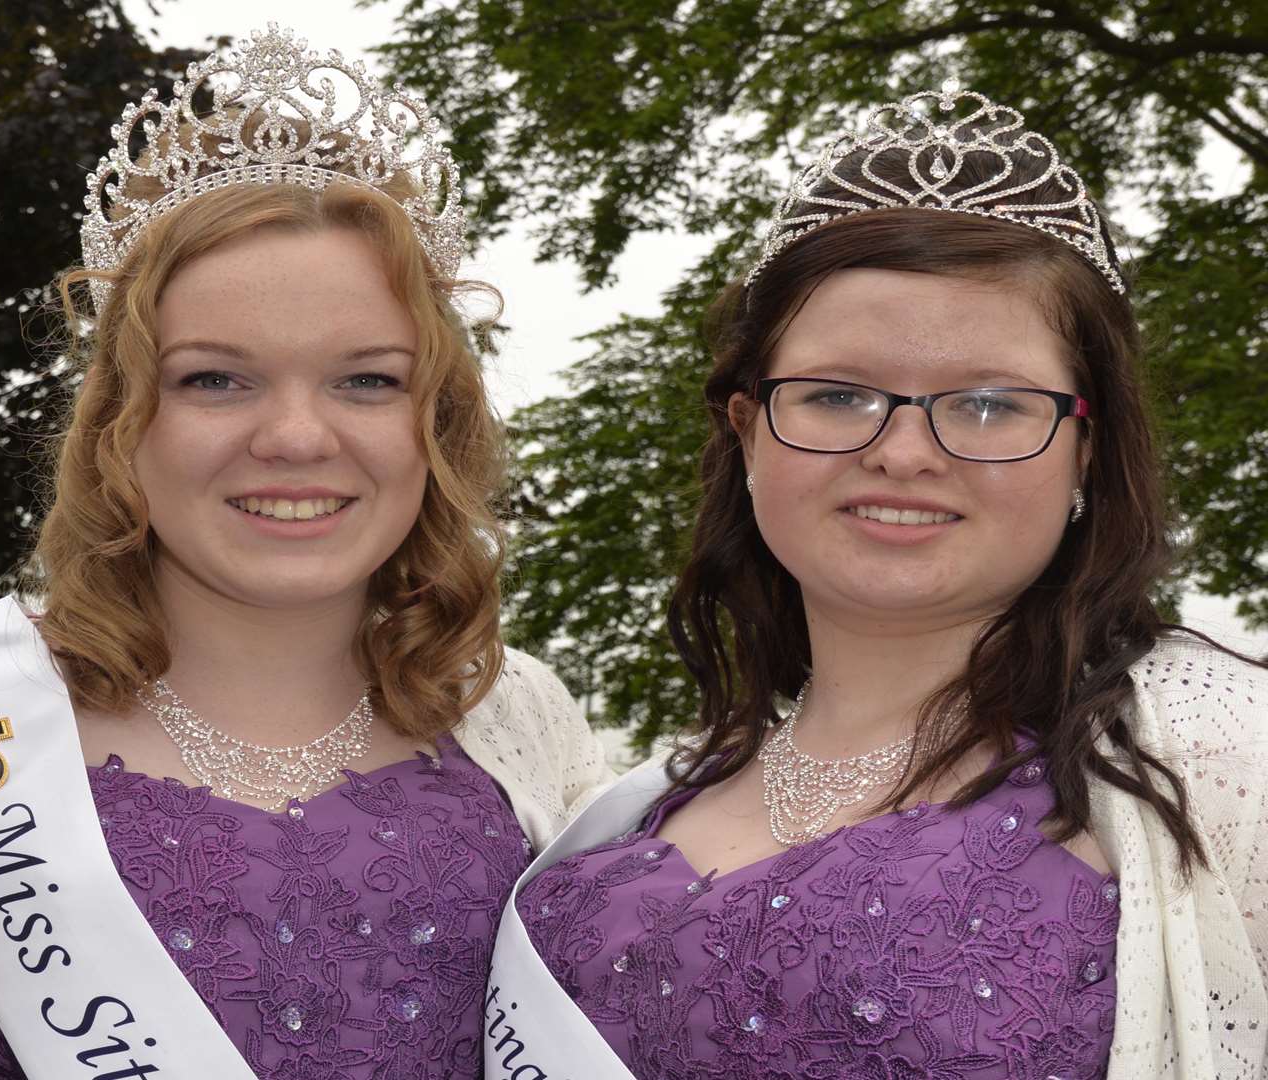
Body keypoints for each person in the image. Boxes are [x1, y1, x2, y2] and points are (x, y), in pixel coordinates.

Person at [0, 25, 613, 1080]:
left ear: (437, 422)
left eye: (366, 379)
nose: (294, 437)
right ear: (120, 422)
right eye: (214, 380)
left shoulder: (519, 721)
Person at [483, 86, 1268, 1080]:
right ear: (747, 430)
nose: (902, 453)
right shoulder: (626, 816)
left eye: (988, 404)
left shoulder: (1228, 767)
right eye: (838, 395)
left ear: (1085, 450)